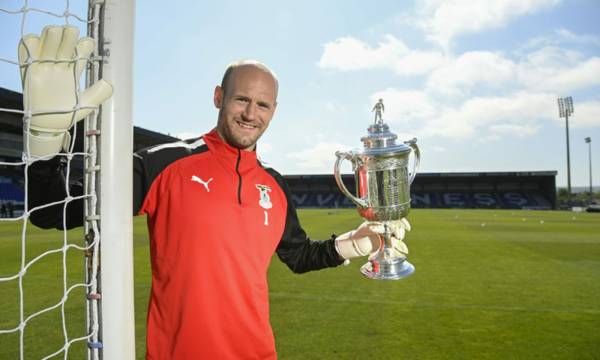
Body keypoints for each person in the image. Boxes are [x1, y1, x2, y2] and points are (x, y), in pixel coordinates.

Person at [23, 26, 409, 359]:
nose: (250, 114)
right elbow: (51, 212)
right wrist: (44, 146)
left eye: (263, 105)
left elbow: (298, 255)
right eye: (242, 99)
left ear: (274, 111)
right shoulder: (165, 165)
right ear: (218, 97)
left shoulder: (274, 185)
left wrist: (355, 244)